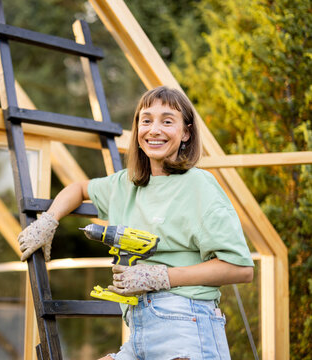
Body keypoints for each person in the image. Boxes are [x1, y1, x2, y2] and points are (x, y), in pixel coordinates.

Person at [18, 86, 254, 360]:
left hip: (185, 326)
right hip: (139, 329)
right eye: (146, 120)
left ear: (186, 132)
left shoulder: (199, 186)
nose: (154, 130)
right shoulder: (124, 184)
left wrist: (161, 276)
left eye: (167, 121)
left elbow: (240, 268)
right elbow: (79, 189)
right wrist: (48, 221)